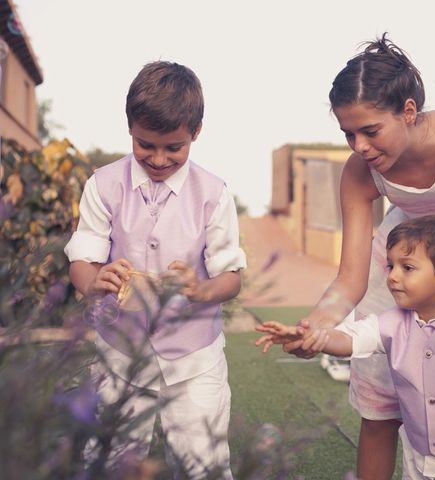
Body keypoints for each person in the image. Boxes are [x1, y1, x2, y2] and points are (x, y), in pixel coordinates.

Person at [282, 33, 435, 479]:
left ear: (408, 112)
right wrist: (315, 327)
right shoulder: (359, 172)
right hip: (403, 264)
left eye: (370, 131)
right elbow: (349, 278)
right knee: (380, 406)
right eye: (348, 133)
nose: (359, 146)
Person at [64, 61, 246, 478]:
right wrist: (94, 281)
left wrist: (202, 290)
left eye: (174, 148)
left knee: (203, 465)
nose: (159, 159)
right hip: (120, 356)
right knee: (110, 462)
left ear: (196, 132)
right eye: (146, 145)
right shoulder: (102, 185)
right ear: (129, 127)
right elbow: (83, 259)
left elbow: (231, 277)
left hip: (195, 360)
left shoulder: (214, 195)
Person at [258, 215, 435, 480]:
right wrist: (314, 337)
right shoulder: (392, 321)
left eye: (407, 267)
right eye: (391, 266)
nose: (393, 277)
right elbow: (351, 338)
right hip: (417, 457)